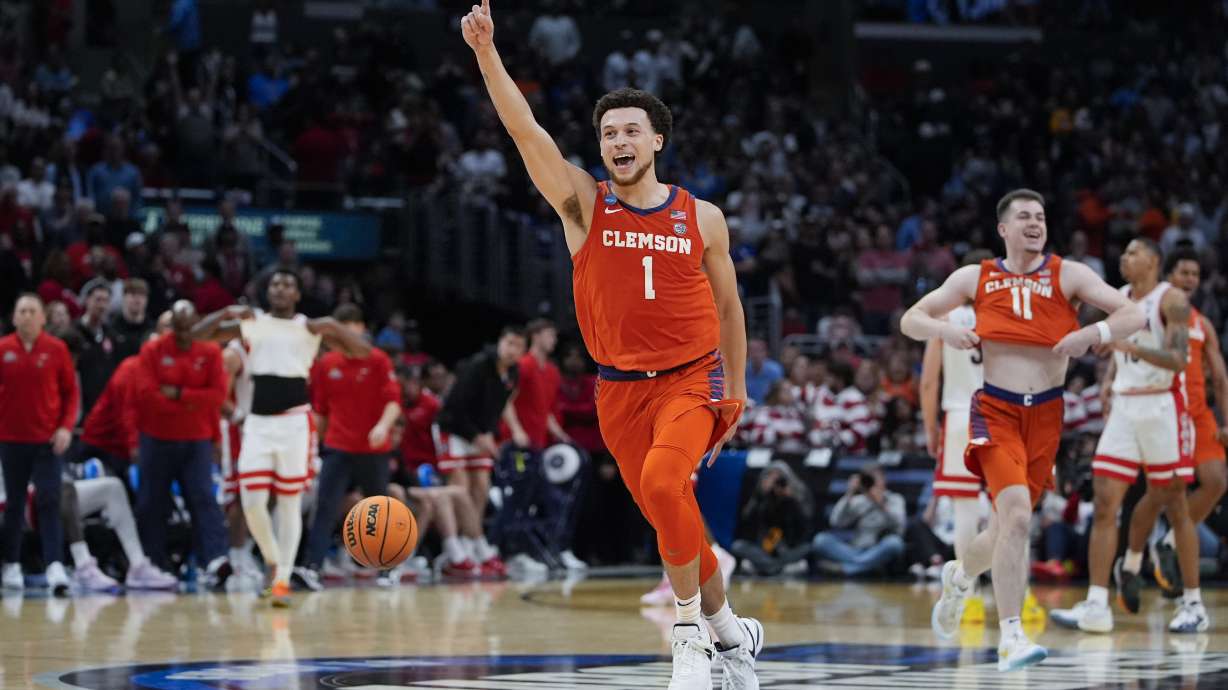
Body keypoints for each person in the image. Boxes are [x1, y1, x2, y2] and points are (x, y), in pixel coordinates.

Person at [461, 3, 762, 687]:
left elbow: (730, 306)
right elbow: (524, 129)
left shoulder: (702, 217)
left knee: (664, 484)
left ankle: (687, 636)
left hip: (691, 378)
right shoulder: (584, 204)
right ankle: (732, 633)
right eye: (608, 133)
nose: (618, 140)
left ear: (657, 140)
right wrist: (486, 54)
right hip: (618, 390)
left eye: (631, 130)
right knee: (670, 509)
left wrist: (737, 387)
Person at [900, 188, 1144, 672]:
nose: (1035, 222)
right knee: (1014, 517)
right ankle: (1011, 635)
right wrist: (945, 331)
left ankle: (959, 576)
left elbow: (1133, 314)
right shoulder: (977, 276)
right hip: (997, 411)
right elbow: (911, 319)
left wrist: (1090, 334)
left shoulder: (1068, 273)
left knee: (1007, 526)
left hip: (1047, 416)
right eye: (1024, 216)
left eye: (1041, 215)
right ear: (1003, 229)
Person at [1050, 239, 1209, 634]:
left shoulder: (1171, 300)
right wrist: (1108, 377)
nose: (1124, 257)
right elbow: (1116, 352)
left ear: (1154, 261)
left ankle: (1193, 604)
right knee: (1105, 503)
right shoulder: (1118, 298)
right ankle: (1097, 604)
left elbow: (1178, 360)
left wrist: (1127, 344)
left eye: (1133, 252)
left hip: (1162, 407)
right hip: (1124, 407)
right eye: (1122, 252)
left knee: (1175, 506)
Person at [192, 270, 370, 607]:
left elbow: (362, 351)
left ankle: (282, 578)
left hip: (294, 424)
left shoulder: (310, 327)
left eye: (288, 284)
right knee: (251, 502)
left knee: (288, 504)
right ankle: (274, 560)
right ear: (267, 291)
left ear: (298, 295)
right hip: (257, 424)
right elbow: (197, 338)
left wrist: (333, 326)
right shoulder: (254, 322)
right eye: (275, 284)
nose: (280, 289)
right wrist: (224, 314)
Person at [295, 304, 402, 591]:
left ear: (360, 328)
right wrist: (312, 445)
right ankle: (312, 567)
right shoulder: (326, 365)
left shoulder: (378, 360)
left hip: (373, 449)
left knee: (378, 507)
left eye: (349, 326)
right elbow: (320, 411)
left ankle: (387, 568)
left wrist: (382, 426)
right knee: (325, 507)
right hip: (338, 446)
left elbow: (393, 401)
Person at [1145, 249, 1228, 595]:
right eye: (1184, 273)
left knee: (1216, 481)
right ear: (1170, 276)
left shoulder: (1202, 323)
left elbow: (1221, 378)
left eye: (1195, 274)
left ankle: (1167, 542)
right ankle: (1138, 558)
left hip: (1200, 413)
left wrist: (1225, 421)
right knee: (1165, 492)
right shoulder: (1155, 313)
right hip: (1165, 409)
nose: (1191, 279)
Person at [132, 301, 232, 589]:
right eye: (179, 326)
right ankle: (153, 563)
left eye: (189, 327)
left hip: (196, 440)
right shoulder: (153, 350)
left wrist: (178, 393)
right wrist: (193, 401)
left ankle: (214, 560)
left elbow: (217, 396)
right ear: (172, 325)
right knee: (153, 502)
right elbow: (147, 396)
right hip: (156, 439)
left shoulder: (210, 352)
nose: (184, 333)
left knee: (203, 498)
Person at [919, 249, 989, 621]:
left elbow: (929, 381)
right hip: (1001, 413)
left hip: (960, 413)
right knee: (1009, 510)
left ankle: (970, 598)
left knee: (965, 510)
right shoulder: (1004, 313)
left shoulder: (945, 317)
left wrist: (931, 428)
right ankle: (1024, 599)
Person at [432, 327, 526, 578]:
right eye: (508, 343)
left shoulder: (513, 373)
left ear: (522, 351)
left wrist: (501, 432)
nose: (511, 349)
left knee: (481, 488)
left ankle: (470, 541)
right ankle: (464, 546)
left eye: (517, 345)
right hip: (453, 428)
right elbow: (456, 408)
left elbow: (500, 406)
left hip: (481, 432)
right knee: (460, 489)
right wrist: (478, 437)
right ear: (500, 342)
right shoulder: (478, 366)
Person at [0, 294, 78, 594]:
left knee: (49, 499)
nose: (28, 316)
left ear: (43, 318)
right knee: (15, 504)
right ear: (14, 317)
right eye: (22, 311)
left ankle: (55, 564)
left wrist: (65, 428)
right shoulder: (4, 348)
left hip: (47, 441)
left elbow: (71, 394)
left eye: (33, 311)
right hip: (11, 440)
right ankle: (11, 564)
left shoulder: (57, 349)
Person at [811, 463, 906, 576]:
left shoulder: (895, 499)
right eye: (869, 479)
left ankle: (847, 569)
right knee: (820, 540)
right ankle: (865, 566)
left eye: (876, 478)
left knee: (895, 543)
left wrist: (880, 504)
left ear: (884, 480)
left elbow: (900, 525)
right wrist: (849, 493)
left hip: (879, 548)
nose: (873, 482)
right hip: (855, 549)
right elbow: (836, 521)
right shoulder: (859, 501)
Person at [110, 278, 153, 361]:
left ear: (147, 299)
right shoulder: (112, 328)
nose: (137, 299)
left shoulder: (152, 329)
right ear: (124, 297)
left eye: (141, 294)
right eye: (133, 294)